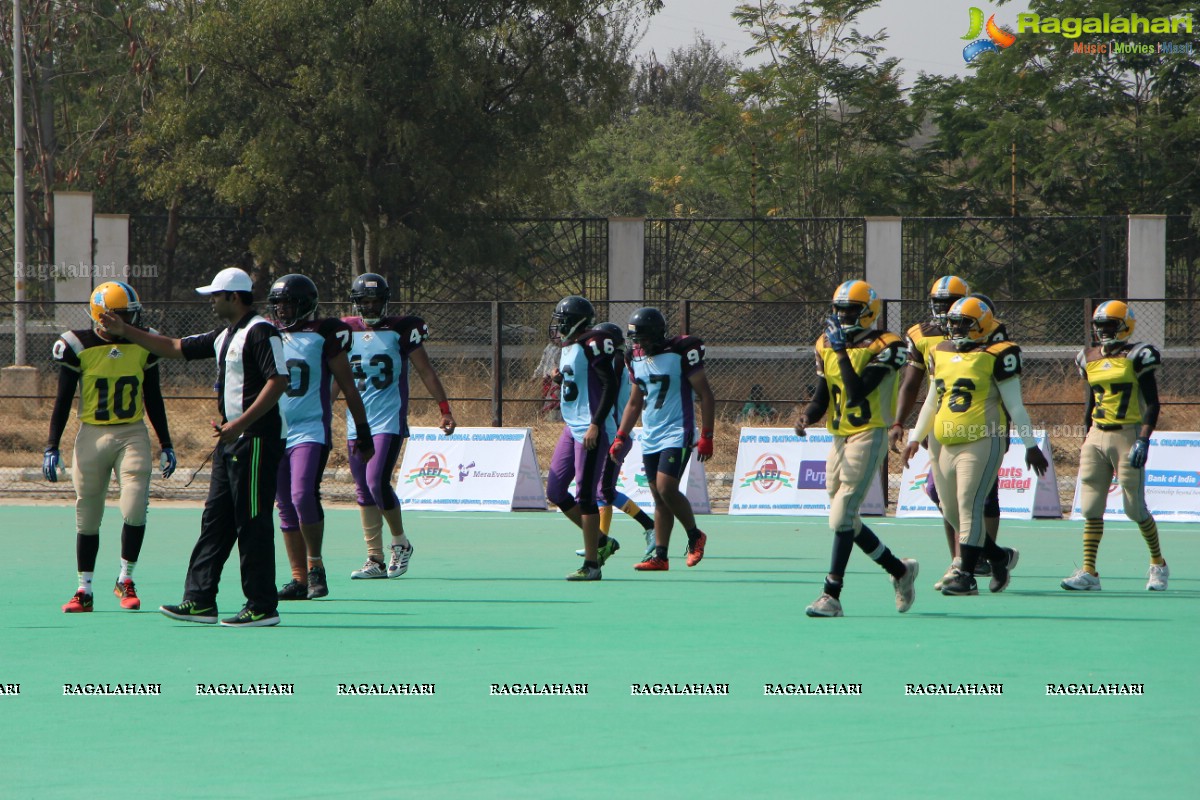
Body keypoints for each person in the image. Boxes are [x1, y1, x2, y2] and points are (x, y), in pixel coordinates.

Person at [100, 267, 288, 627]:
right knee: (215, 522)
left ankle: (263, 605)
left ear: (234, 296)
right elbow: (174, 347)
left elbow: (278, 380)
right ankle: (200, 600)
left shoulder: (261, 331)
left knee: (253, 522)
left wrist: (241, 424)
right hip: (231, 443)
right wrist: (126, 331)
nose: (212, 301)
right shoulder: (224, 335)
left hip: (256, 442)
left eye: (216, 295)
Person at [902, 295, 1048, 596]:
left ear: (981, 325)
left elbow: (1015, 406)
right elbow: (932, 400)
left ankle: (966, 576)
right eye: (953, 323)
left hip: (982, 438)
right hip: (942, 441)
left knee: (969, 505)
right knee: (951, 510)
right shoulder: (940, 351)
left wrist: (1031, 445)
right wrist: (915, 437)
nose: (955, 329)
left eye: (963, 324)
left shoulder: (999, 354)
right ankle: (998, 557)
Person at [46, 281, 175, 613]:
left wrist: (166, 443)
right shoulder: (77, 345)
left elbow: (153, 397)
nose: (130, 323)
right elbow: (62, 401)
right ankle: (84, 589)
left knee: (133, 506)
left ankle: (125, 578)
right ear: (103, 317)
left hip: (131, 433)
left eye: (132, 316)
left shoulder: (143, 343)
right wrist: (51, 445)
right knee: (87, 515)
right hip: (92, 434)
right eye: (123, 316)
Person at [795, 280, 917, 617]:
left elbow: (858, 392)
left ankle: (831, 594)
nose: (844, 315)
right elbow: (823, 396)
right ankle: (899, 569)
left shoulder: (887, 344)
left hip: (869, 432)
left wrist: (840, 352)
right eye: (840, 309)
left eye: (851, 310)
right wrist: (807, 416)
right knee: (843, 519)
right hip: (839, 435)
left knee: (842, 513)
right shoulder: (824, 343)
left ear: (868, 312)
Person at [342, 273, 456, 580]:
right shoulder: (344, 330)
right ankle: (374, 559)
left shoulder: (401, 329)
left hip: (387, 420)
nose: (370, 306)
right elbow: (334, 377)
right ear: (356, 303)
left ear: (385, 301)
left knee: (376, 481)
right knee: (363, 489)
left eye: (375, 300)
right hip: (356, 421)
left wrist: (444, 409)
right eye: (364, 301)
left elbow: (425, 370)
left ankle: (400, 542)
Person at [267, 274, 374, 601]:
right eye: (278, 304)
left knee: (302, 495)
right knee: (284, 503)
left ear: (305, 304)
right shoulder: (267, 335)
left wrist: (363, 428)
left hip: (310, 429)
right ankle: (298, 578)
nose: (282, 310)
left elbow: (348, 384)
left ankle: (316, 567)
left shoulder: (324, 334)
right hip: (276, 430)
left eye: (289, 303)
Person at [891, 276, 995, 588]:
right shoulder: (921, 334)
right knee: (942, 493)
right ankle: (969, 558)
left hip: (983, 419)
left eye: (948, 303)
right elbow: (913, 383)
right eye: (938, 303)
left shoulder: (986, 327)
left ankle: (979, 558)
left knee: (983, 496)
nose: (943, 310)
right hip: (940, 418)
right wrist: (903, 423)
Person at [1063, 301, 1168, 591]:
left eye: (1110, 325)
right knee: (1091, 506)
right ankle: (1089, 572)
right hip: (1097, 434)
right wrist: (1085, 436)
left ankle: (1158, 564)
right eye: (1100, 326)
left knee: (1134, 507)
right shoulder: (1087, 357)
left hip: (1127, 434)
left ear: (1124, 325)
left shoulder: (1138, 355)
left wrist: (1144, 439)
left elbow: (1153, 403)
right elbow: (1090, 402)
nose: (1103, 331)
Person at [610, 306, 715, 573]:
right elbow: (634, 402)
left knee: (666, 487)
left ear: (656, 335)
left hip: (678, 431)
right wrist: (621, 435)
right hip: (652, 433)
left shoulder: (679, 353)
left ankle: (694, 535)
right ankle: (661, 555)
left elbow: (705, 394)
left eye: (643, 338)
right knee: (658, 496)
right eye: (635, 338)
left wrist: (707, 435)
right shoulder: (635, 358)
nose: (639, 344)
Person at [546, 296, 619, 581]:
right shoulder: (570, 345)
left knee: (585, 495)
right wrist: (561, 380)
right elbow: (580, 380)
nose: (559, 324)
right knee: (555, 491)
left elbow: (609, 384)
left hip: (590, 427)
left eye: (563, 319)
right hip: (572, 425)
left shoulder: (593, 342)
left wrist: (596, 424)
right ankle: (602, 541)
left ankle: (592, 565)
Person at [574, 321, 656, 560]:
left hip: (615, 433)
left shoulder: (616, 363)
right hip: (615, 432)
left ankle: (649, 526)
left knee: (605, 491)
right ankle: (601, 538)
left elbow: (606, 392)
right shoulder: (621, 361)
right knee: (602, 491)